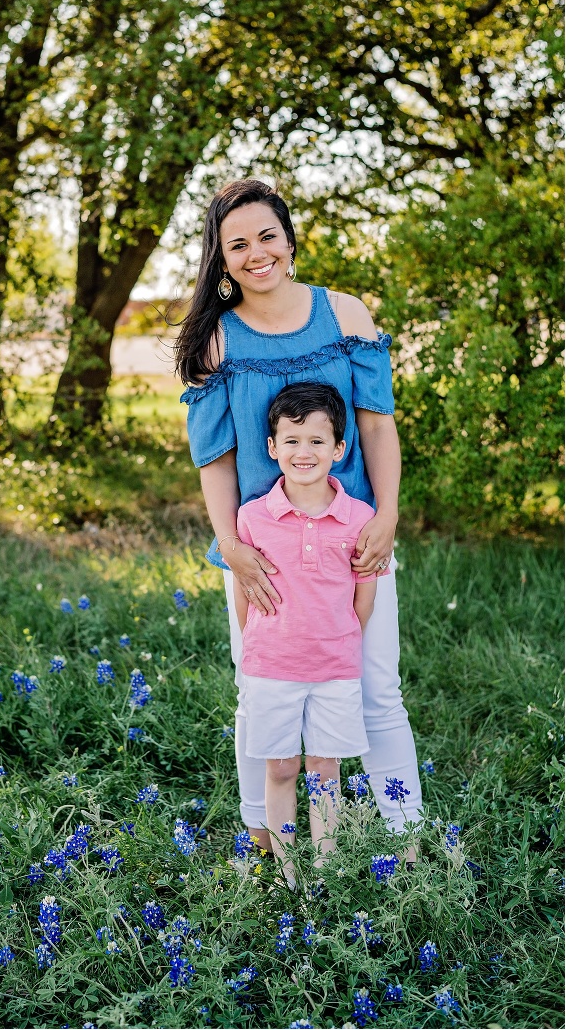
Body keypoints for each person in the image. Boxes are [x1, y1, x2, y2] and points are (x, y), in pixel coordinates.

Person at [174, 178, 422, 853]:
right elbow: (215, 462)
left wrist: (387, 517)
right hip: (263, 551)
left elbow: (376, 428)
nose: (257, 253)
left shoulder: (346, 317)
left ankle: (407, 846)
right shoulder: (216, 342)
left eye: (267, 236)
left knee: (376, 689)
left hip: (355, 537)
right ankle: (266, 842)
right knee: (260, 696)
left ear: (290, 239)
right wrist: (233, 548)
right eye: (238, 244)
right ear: (221, 261)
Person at [234, 381, 383, 887]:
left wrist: (341, 638)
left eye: (318, 441)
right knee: (280, 768)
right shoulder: (252, 517)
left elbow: (364, 594)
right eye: (292, 441)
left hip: (335, 668)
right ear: (272, 448)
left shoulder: (360, 518)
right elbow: (244, 591)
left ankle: (323, 873)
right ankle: (288, 871)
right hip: (271, 666)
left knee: (325, 770)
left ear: (339, 450)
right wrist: (260, 640)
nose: (304, 452)